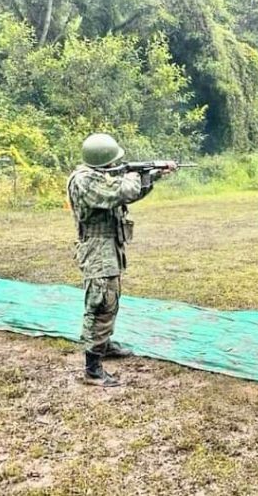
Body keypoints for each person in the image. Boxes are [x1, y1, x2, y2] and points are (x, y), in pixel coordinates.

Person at [67, 133, 174, 387]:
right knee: (101, 303)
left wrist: (153, 174)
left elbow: (132, 193)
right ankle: (92, 369)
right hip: (97, 249)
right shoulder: (85, 181)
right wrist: (138, 175)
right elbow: (124, 191)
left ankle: (103, 344)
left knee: (110, 300)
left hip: (108, 247)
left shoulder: (99, 176)